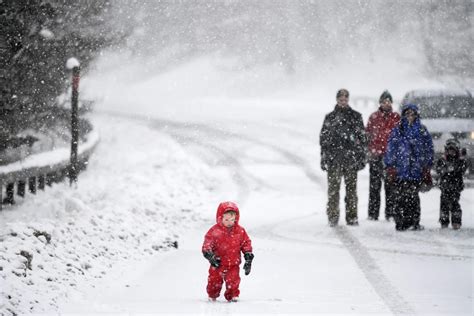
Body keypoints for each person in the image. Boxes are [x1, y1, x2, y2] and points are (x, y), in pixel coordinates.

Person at [320, 89, 367, 226]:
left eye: (345, 99)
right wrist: (324, 158)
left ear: (348, 100)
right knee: (333, 192)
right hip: (334, 160)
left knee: (351, 192)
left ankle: (352, 217)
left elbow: (362, 139)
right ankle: (333, 217)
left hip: (350, 160)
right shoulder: (330, 118)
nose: (343, 101)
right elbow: (323, 140)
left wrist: (361, 157)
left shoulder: (356, 117)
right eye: (341, 99)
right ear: (337, 100)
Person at [384, 104, 434, 231]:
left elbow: (429, 149)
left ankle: (414, 222)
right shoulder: (398, 130)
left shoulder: (422, 130)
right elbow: (391, 148)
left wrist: (427, 166)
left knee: (413, 197)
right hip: (401, 170)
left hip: (416, 170)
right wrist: (390, 166)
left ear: (416, 115)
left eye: (412, 114)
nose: (410, 116)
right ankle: (400, 222)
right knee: (400, 198)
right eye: (408, 114)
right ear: (404, 115)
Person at [202, 201, 253, 302]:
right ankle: (212, 295)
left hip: (233, 263)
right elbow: (207, 244)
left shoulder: (239, 231)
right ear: (220, 218)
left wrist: (248, 255)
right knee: (214, 280)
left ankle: (233, 295)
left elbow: (246, 243)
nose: (230, 222)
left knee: (233, 281)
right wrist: (210, 255)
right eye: (226, 219)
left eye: (232, 220)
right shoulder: (214, 231)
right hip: (217, 263)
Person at [366, 90, 400, 221]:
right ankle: (372, 214)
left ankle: (390, 213)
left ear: (391, 102)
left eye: (388, 101)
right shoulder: (373, 117)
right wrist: (369, 152)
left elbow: (400, 137)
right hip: (376, 157)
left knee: (390, 187)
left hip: (390, 158)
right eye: (384, 101)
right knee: (374, 187)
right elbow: (367, 135)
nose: (386, 103)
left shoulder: (396, 117)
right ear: (380, 102)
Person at [435, 139, 468, 230]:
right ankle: (444, 222)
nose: (451, 152)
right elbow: (438, 169)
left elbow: (463, 168)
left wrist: (456, 167)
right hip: (445, 186)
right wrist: (445, 169)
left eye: (453, 150)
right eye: (449, 150)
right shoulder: (442, 160)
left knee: (455, 204)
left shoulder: (460, 160)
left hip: (456, 186)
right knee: (444, 204)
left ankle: (456, 222)